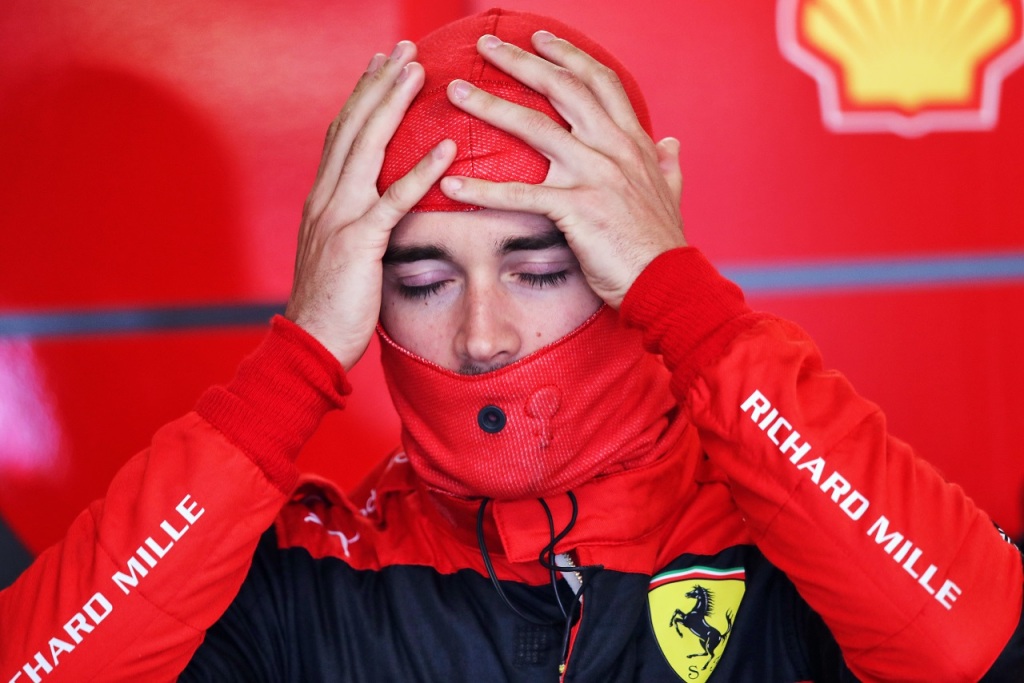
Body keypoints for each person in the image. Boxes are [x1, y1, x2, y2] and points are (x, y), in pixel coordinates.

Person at [1, 8, 1022, 682]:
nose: (483, 336)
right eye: (421, 280)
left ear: (635, 258)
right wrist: (294, 363)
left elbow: (970, 647)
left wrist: (692, 309)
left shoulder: (790, 548)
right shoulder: (306, 584)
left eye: (540, 268)